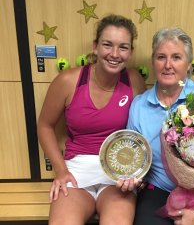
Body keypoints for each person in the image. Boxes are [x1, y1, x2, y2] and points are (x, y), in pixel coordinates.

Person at [37, 14, 147, 225]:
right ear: (95, 47)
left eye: (123, 47)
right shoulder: (69, 80)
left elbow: (140, 134)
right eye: (108, 45)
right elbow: (44, 125)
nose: (115, 54)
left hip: (118, 175)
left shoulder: (134, 81)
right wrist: (60, 170)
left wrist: (135, 173)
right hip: (75, 172)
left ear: (130, 52)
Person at [127, 27, 194, 225]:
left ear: (188, 64)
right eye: (161, 57)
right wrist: (131, 177)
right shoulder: (139, 106)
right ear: (153, 61)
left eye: (176, 57)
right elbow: (134, 156)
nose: (168, 65)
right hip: (159, 191)